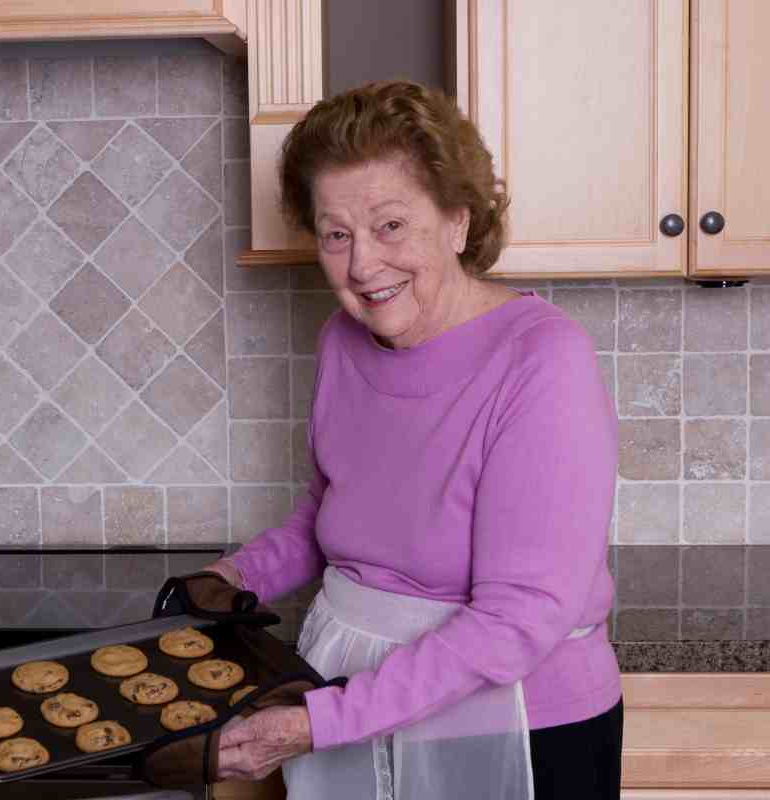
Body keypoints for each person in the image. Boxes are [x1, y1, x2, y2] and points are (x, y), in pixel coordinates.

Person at [202, 81, 623, 799]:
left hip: (517, 725)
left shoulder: (543, 359)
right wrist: (233, 579)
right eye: (337, 234)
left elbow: (516, 620)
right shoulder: (344, 339)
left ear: (458, 222)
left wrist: (317, 722)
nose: (363, 265)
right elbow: (335, 512)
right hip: (346, 698)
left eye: (391, 225)